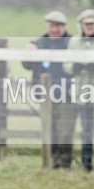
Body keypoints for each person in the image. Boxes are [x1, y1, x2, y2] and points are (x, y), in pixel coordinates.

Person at [22, 10, 74, 168]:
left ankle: (64, 163)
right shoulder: (39, 43)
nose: (55, 29)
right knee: (49, 129)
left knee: (64, 130)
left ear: (64, 26)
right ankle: (51, 161)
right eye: (52, 26)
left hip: (67, 94)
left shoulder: (72, 43)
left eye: (58, 26)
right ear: (48, 26)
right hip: (45, 96)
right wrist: (28, 53)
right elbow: (27, 65)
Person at [64, 9, 94, 171]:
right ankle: (86, 162)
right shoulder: (74, 42)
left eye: (92, 24)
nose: (89, 27)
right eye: (86, 24)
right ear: (81, 26)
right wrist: (76, 68)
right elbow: (67, 63)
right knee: (86, 130)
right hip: (82, 93)